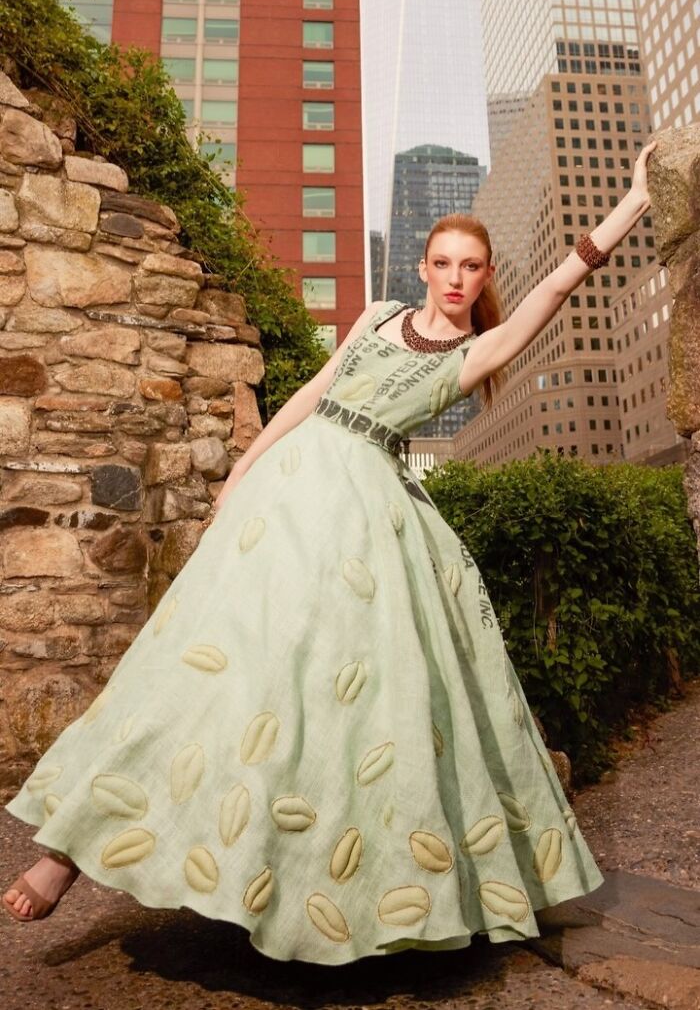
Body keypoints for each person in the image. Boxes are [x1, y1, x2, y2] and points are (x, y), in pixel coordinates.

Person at [2, 141, 656, 965]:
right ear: (423, 266)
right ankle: (65, 854)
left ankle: (307, 882)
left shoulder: (475, 351)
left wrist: (632, 200)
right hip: (288, 495)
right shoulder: (378, 315)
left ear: (485, 278)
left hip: (367, 521)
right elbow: (314, 395)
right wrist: (244, 468)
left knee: (328, 699)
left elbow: (560, 285)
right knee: (199, 667)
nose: (456, 278)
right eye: (444, 262)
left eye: (473, 268)